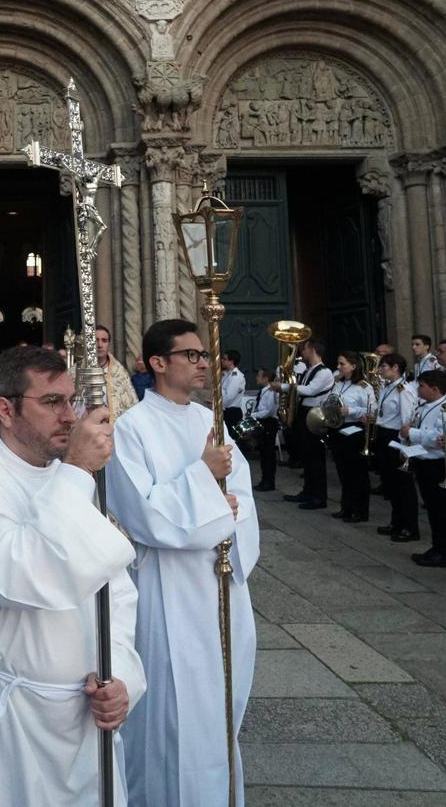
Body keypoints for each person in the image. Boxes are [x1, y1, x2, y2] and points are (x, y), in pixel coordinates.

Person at [0, 345, 144, 807]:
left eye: (70, 400)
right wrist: (78, 471)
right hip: (10, 719)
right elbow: (19, 576)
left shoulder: (70, 481)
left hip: (85, 717)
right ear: (5, 410)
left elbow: (115, 593)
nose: (70, 416)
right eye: (51, 402)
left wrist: (122, 674)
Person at [106, 319, 259, 807]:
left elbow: (242, 495)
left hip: (221, 579)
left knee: (219, 704)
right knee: (174, 712)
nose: (202, 363)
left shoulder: (210, 420)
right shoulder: (131, 428)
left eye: (204, 355)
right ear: (157, 362)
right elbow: (144, 515)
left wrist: (224, 512)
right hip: (169, 586)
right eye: (191, 355)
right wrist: (204, 480)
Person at [400, 369, 446, 567]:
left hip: (439, 465)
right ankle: (437, 548)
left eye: (422, 386)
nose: (418, 389)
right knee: (433, 510)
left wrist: (412, 433)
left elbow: (440, 439)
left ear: (435, 389)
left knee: (441, 511)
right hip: (424, 461)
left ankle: (444, 552)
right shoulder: (425, 406)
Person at [279, 338, 334, 509]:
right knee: (307, 456)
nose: (302, 352)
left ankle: (318, 497)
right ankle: (307, 491)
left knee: (315, 458)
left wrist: (284, 387)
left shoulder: (324, 372)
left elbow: (310, 390)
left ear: (312, 350)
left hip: (314, 415)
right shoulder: (309, 370)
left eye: (304, 349)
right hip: (304, 413)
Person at [325, 352, 376, 523]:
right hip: (338, 428)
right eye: (338, 364)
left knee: (357, 472)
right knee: (343, 471)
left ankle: (360, 510)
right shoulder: (338, 383)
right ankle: (346, 507)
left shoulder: (363, 386)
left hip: (354, 430)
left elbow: (372, 410)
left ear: (353, 366)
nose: (338, 367)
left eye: (342, 364)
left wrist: (351, 411)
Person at [373, 354, 418, 542]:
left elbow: (407, 418)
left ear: (396, 368)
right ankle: (396, 521)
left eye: (384, 366)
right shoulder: (387, 387)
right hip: (384, 434)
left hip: (396, 437)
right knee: (391, 483)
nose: (380, 370)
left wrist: (404, 445)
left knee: (403, 484)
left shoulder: (403, 390)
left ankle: (409, 526)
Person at [95, 325, 140, 422]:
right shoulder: (77, 372)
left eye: (104, 340)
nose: (100, 345)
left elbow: (131, 406)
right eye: (96, 340)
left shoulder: (119, 372)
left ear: (109, 344)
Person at [252, 368, 280, 492]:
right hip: (262, 421)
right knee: (263, 453)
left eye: (259, 376)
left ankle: (269, 482)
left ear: (266, 378)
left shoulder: (272, 392)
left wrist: (254, 415)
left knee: (268, 453)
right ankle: (264, 480)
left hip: (269, 422)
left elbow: (269, 411)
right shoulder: (263, 391)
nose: (257, 378)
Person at [220, 349, 246, 446]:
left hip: (231, 412)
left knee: (232, 441)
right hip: (227, 411)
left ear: (231, 361)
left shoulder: (236, 376)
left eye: (224, 359)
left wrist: (219, 390)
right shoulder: (228, 374)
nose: (222, 360)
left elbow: (229, 397)